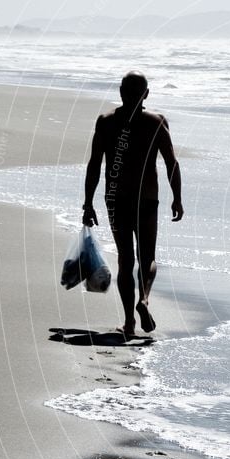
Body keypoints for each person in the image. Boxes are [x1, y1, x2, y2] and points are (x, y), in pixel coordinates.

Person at [82, 71, 183, 336]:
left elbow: (95, 164)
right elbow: (172, 163)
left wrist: (88, 203)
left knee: (125, 260)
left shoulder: (105, 122)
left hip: (116, 198)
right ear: (146, 94)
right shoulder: (156, 122)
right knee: (147, 257)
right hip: (147, 198)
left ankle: (128, 323)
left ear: (120, 92)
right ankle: (145, 299)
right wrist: (177, 198)